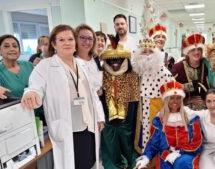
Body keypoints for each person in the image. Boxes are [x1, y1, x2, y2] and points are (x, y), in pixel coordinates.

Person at [21, 24, 105, 169]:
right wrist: (31, 93)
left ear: (75, 43)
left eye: (70, 39)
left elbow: (92, 93)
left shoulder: (81, 64)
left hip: (89, 125)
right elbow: (35, 86)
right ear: (54, 44)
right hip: (68, 128)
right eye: (61, 40)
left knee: (89, 161)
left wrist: (99, 117)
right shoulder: (46, 66)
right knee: (75, 163)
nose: (67, 43)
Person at [135, 81, 202, 169]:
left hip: (187, 156)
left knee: (181, 162)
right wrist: (146, 158)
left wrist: (178, 153)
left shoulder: (190, 117)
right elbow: (153, 144)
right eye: (171, 98)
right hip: (165, 157)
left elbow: (197, 142)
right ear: (166, 100)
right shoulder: (159, 120)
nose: (175, 101)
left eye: (178, 98)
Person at [100, 38, 139, 169]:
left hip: (126, 121)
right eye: (112, 59)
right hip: (108, 120)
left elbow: (134, 99)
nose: (115, 62)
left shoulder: (132, 75)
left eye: (118, 59)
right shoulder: (102, 74)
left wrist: (128, 121)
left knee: (127, 144)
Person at [133, 38, 174, 153]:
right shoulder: (138, 69)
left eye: (150, 52)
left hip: (157, 106)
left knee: (155, 133)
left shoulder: (163, 71)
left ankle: (155, 160)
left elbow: (173, 91)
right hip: (142, 105)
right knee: (143, 132)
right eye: (144, 52)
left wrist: (165, 107)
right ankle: (146, 157)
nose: (147, 55)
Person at [171, 33, 214, 110]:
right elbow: (169, 90)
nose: (196, 52)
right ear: (187, 52)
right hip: (182, 108)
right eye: (193, 49)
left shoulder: (208, 66)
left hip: (206, 108)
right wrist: (186, 100)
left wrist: (207, 101)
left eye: (199, 49)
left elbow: (212, 87)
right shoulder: (177, 68)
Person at [0, 34, 33, 99]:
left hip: (38, 106)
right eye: (6, 46)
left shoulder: (29, 65)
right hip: (14, 107)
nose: (12, 49)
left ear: (19, 51)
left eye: (15, 46)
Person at [75, 24, 103, 96]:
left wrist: (100, 88)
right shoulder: (72, 61)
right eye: (82, 38)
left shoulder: (95, 58)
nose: (87, 42)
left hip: (97, 101)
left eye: (90, 39)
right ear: (75, 39)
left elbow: (99, 75)